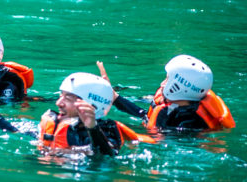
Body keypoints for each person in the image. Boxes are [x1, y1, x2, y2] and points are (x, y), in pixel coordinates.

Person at [0, 71, 153, 156]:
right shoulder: (55, 122)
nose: (59, 103)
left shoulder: (106, 130)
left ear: (90, 104)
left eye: (68, 98)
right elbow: (12, 132)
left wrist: (92, 128)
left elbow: (106, 156)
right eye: (61, 96)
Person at [98, 56, 235, 132]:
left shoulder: (178, 119)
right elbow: (146, 115)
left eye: (167, 79)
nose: (163, 83)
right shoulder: (184, 107)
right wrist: (114, 96)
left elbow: (149, 126)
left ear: (181, 86)